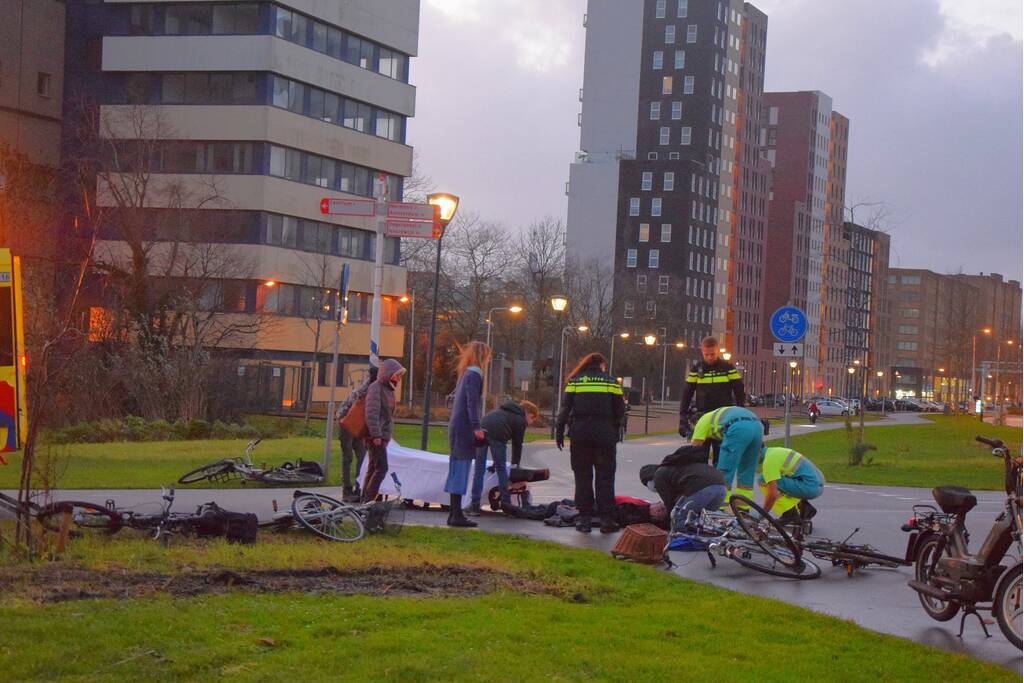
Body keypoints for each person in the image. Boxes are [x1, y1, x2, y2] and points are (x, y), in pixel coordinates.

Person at [555, 352, 625, 534]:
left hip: (580, 434)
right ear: (602, 365)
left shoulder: (575, 382)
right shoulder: (611, 382)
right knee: (605, 477)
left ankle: (584, 519)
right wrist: (615, 430)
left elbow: (565, 409)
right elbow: (620, 411)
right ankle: (606, 520)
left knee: (583, 477)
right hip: (604, 434)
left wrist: (559, 431)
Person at [444, 341, 492, 527]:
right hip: (463, 429)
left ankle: (454, 514)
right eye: (487, 356)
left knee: (458, 469)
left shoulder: (466, 374)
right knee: (460, 470)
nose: (488, 360)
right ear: (482, 356)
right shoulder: (474, 375)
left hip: (458, 428)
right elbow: (472, 404)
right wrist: (476, 427)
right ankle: (456, 515)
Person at [678, 336, 745, 467]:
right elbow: (687, 394)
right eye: (706, 354)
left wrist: (740, 414)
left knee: (721, 459)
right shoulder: (697, 369)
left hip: (723, 419)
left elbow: (739, 392)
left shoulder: (728, 368)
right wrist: (682, 419)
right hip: (702, 419)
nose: (709, 357)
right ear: (702, 352)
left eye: (712, 354)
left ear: (718, 351)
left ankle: (719, 484)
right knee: (699, 458)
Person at [466, 399, 540, 514]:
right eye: (532, 419)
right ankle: (506, 502)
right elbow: (517, 444)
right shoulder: (521, 420)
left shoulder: (505, 410)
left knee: (479, 469)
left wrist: (495, 463)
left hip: (483, 426)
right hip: (498, 433)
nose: (530, 423)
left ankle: (474, 504)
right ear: (529, 414)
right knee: (502, 470)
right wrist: (515, 465)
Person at [639, 445, 728, 531]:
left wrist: (666, 524)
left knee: (680, 522)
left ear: (649, 478)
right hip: (721, 487)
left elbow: (671, 505)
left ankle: (691, 545)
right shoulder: (675, 469)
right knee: (704, 521)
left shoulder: (659, 475)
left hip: (702, 489)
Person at [690, 405, 762, 505]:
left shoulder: (702, 420)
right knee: (747, 470)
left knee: (725, 469)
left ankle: (720, 505)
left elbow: (693, 449)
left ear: (695, 422)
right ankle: (743, 508)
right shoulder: (715, 416)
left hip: (737, 427)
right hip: (757, 426)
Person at [360, 358, 406, 503]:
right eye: (396, 374)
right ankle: (368, 499)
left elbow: (387, 415)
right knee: (381, 468)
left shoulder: (388, 389)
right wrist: (376, 435)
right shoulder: (376, 388)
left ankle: (365, 499)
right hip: (375, 436)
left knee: (374, 467)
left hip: (381, 436)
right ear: (388, 373)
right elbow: (372, 413)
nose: (398, 378)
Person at [335, 367, 377, 500]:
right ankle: (349, 490)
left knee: (360, 456)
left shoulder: (367, 387)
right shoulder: (370, 389)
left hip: (350, 423)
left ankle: (356, 488)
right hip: (348, 423)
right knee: (350, 457)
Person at [759, 446, 825, 525]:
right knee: (779, 479)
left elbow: (772, 494)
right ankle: (803, 507)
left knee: (763, 480)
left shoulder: (769, 461)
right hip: (816, 484)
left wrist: (762, 515)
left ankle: (789, 514)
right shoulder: (775, 452)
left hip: (810, 487)